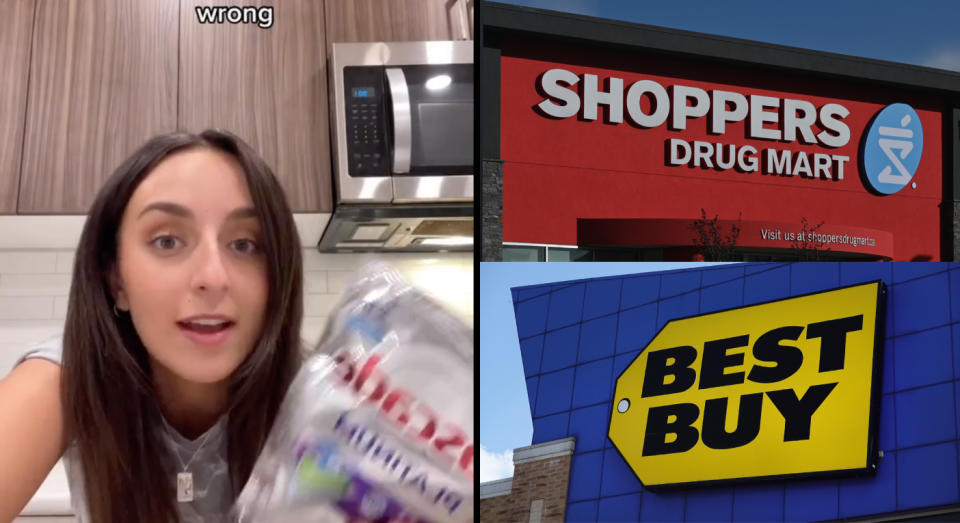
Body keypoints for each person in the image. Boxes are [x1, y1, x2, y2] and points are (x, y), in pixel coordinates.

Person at [0, 130, 305, 522]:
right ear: (117, 281)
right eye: (167, 242)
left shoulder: (320, 395)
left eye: (244, 245)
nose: (213, 277)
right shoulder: (72, 377)